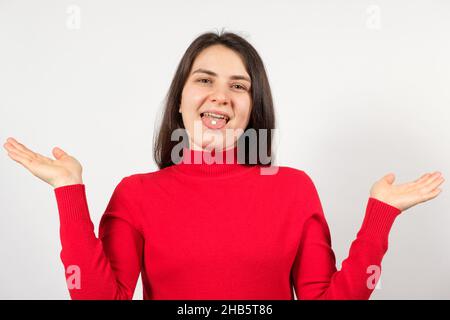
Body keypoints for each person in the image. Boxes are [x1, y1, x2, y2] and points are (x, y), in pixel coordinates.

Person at [3, 31, 445, 300]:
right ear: (181, 101)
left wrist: (379, 216)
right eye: (204, 80)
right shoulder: (136, 195)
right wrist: (68, 190)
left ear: (253, 108)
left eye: (238, 85)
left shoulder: (292, 189)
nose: (220, 96)